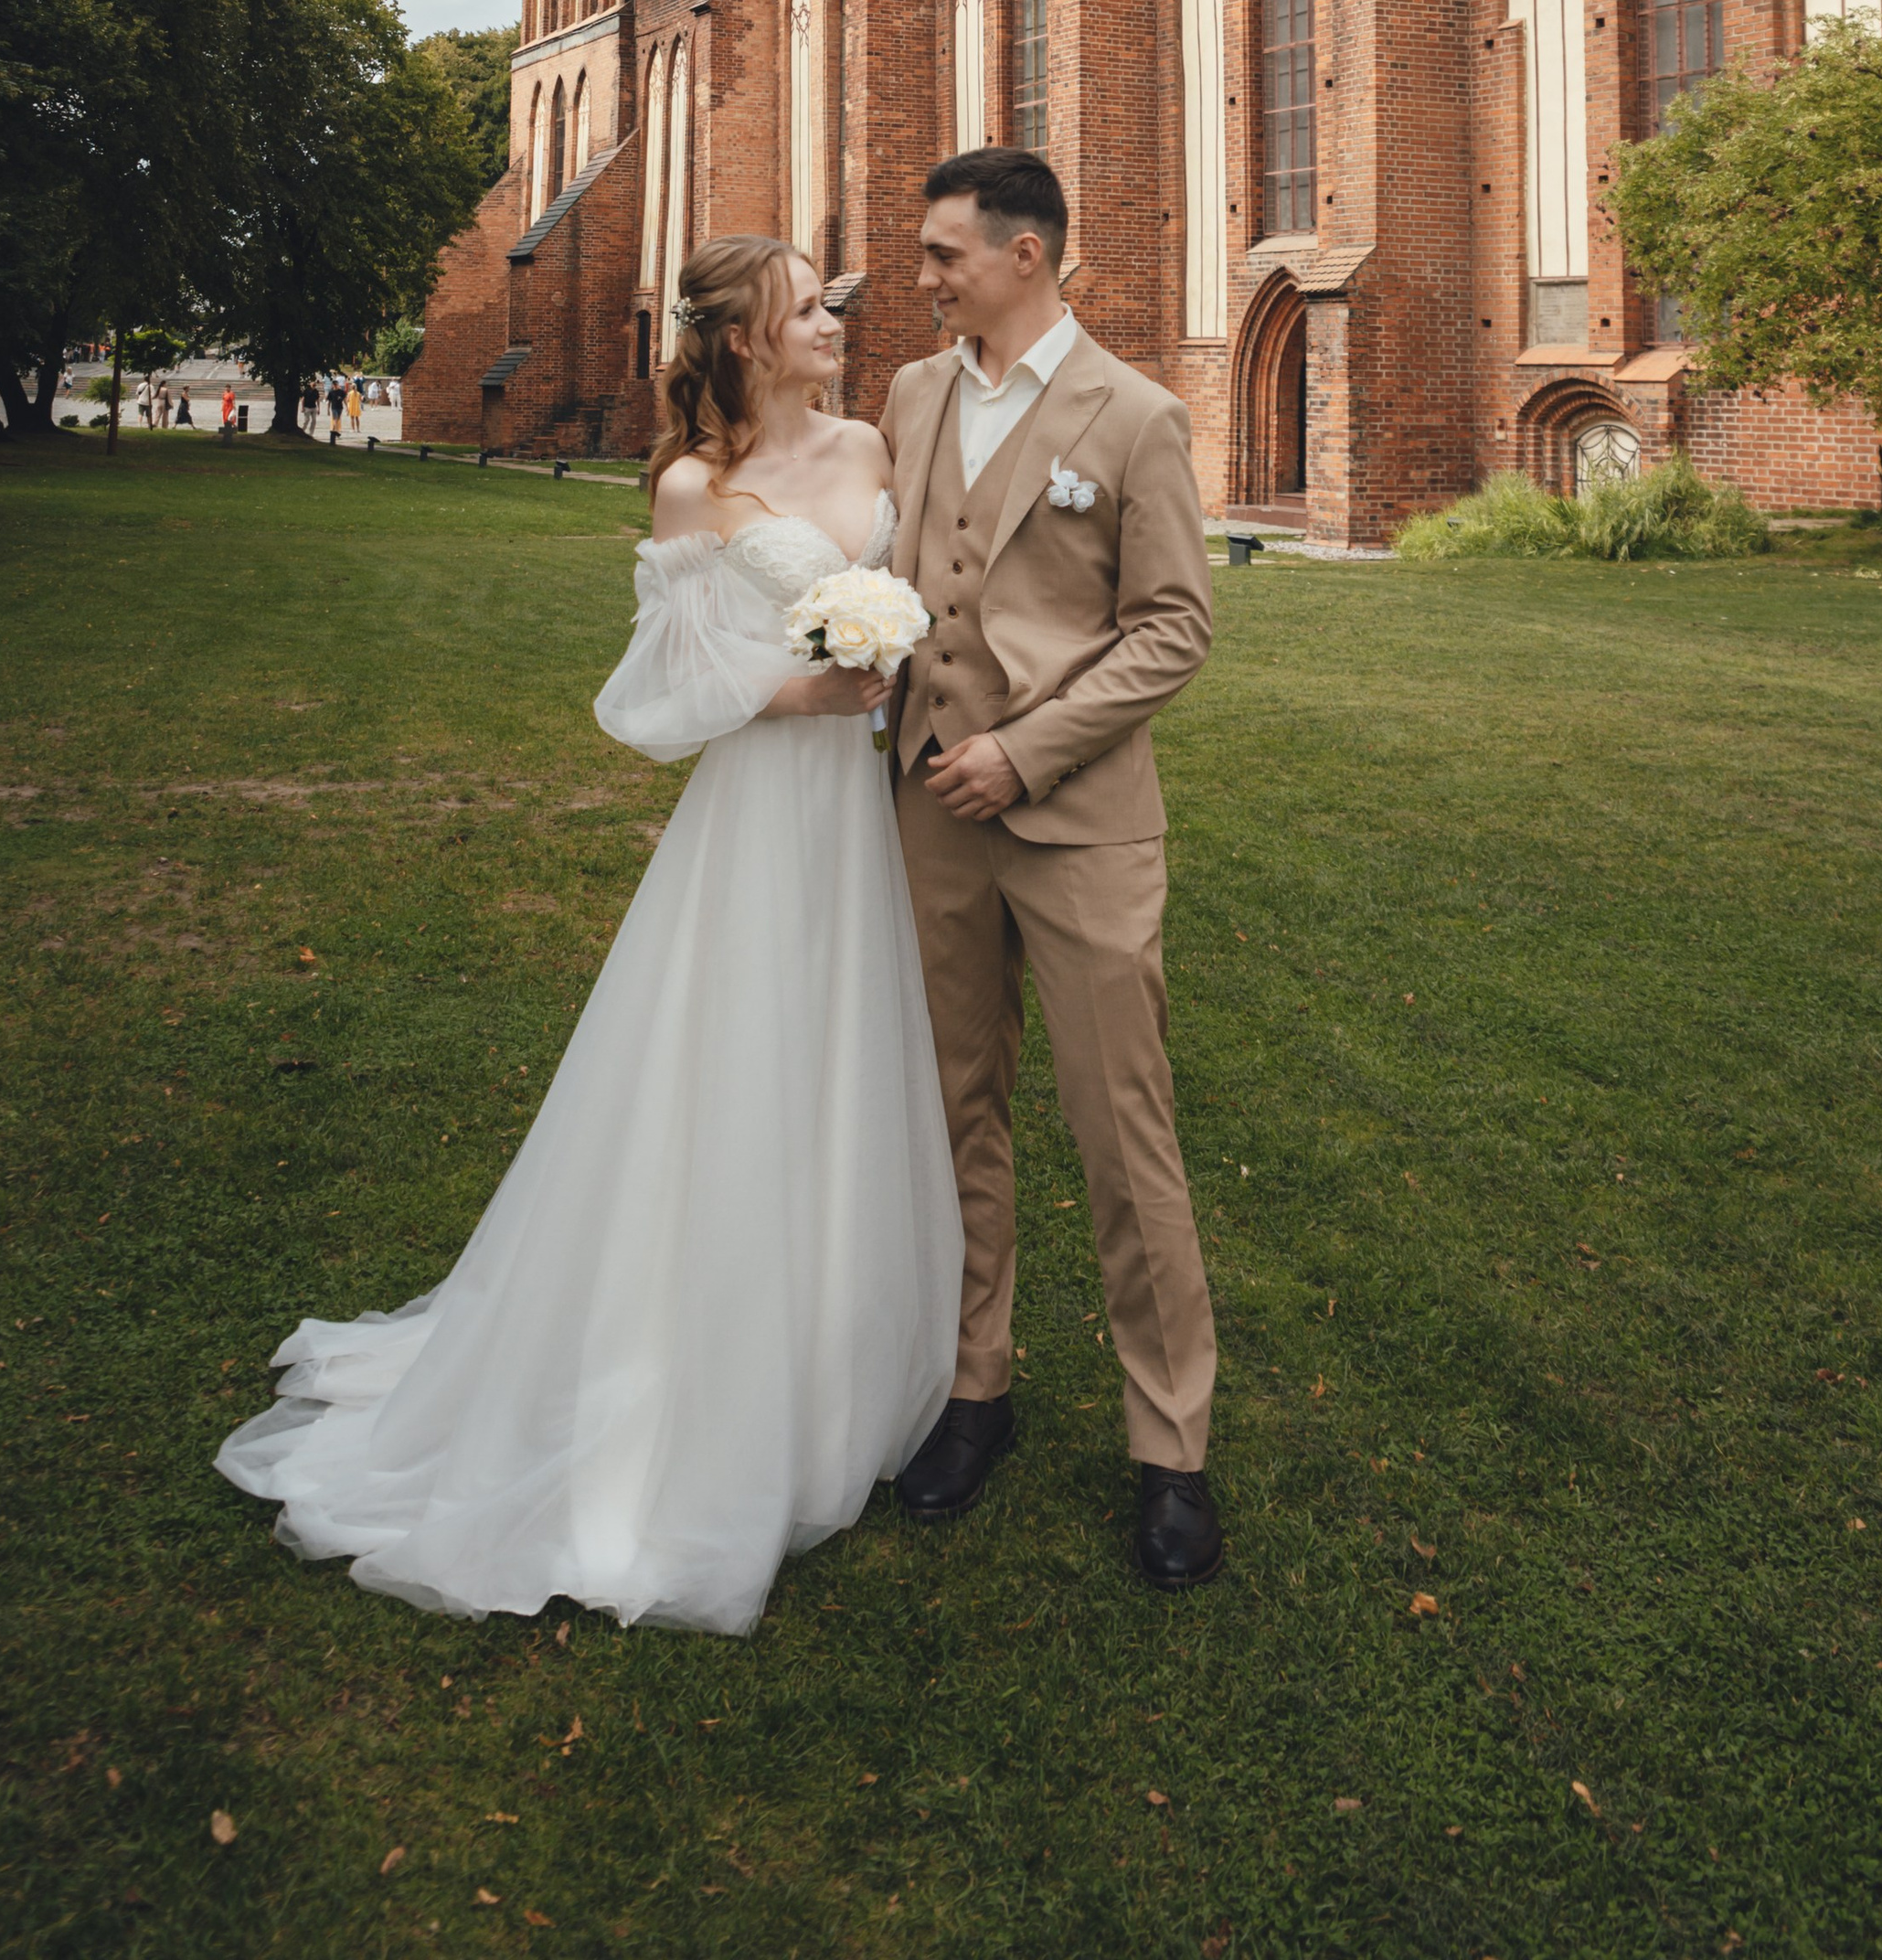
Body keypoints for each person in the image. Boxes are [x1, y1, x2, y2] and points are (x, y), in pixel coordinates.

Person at [215, 235, 961, 1633]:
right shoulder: (696, 485)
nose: (831, 326)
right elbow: (659, 691)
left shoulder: (875, 446)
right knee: (727, 1064)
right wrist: (791, 695)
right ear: (743, 339)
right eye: (807, 311)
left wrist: (888, 652)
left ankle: (835, 1360)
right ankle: (684, 1369)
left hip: (859, 827)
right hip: (758, 814)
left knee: (841, 1056)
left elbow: (928, 589)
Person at [882, 147, 1224, 1589]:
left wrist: (1026, 753)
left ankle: (1172, 1452)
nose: (925, 277)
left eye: (946, 254)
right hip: (922, 817)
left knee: (1121, 1135)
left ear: (1030, 255)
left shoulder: (1136, 417)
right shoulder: (908, 396)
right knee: (956, 1110)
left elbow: (1173, 628)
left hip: (1076, 824)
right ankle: (978, 1388)